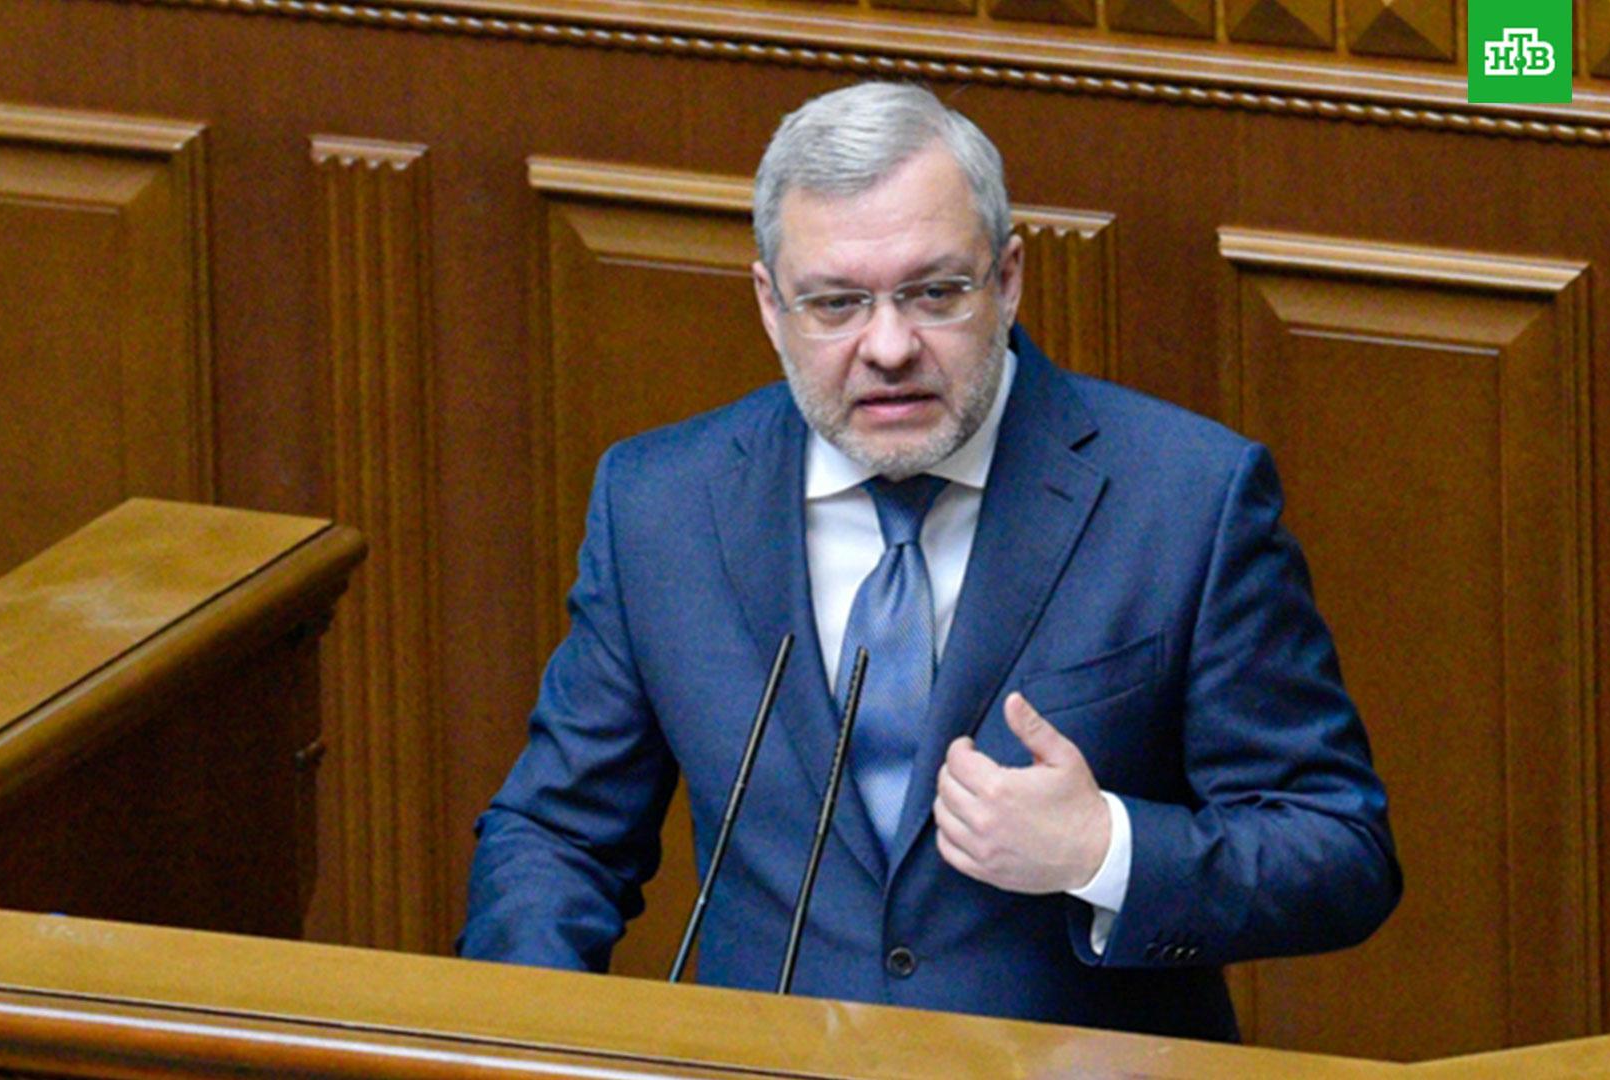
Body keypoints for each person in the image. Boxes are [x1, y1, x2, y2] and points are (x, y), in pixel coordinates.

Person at [459, 81, 1399, 1041]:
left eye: (935, 293)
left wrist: (1105, 849)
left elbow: (1339, 848)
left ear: (1008, 277)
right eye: (836, 303)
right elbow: (558, 836)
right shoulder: (661, 505)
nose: (889, 347)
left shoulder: (1186, 497)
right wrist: (529, 1044)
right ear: (771, 304)